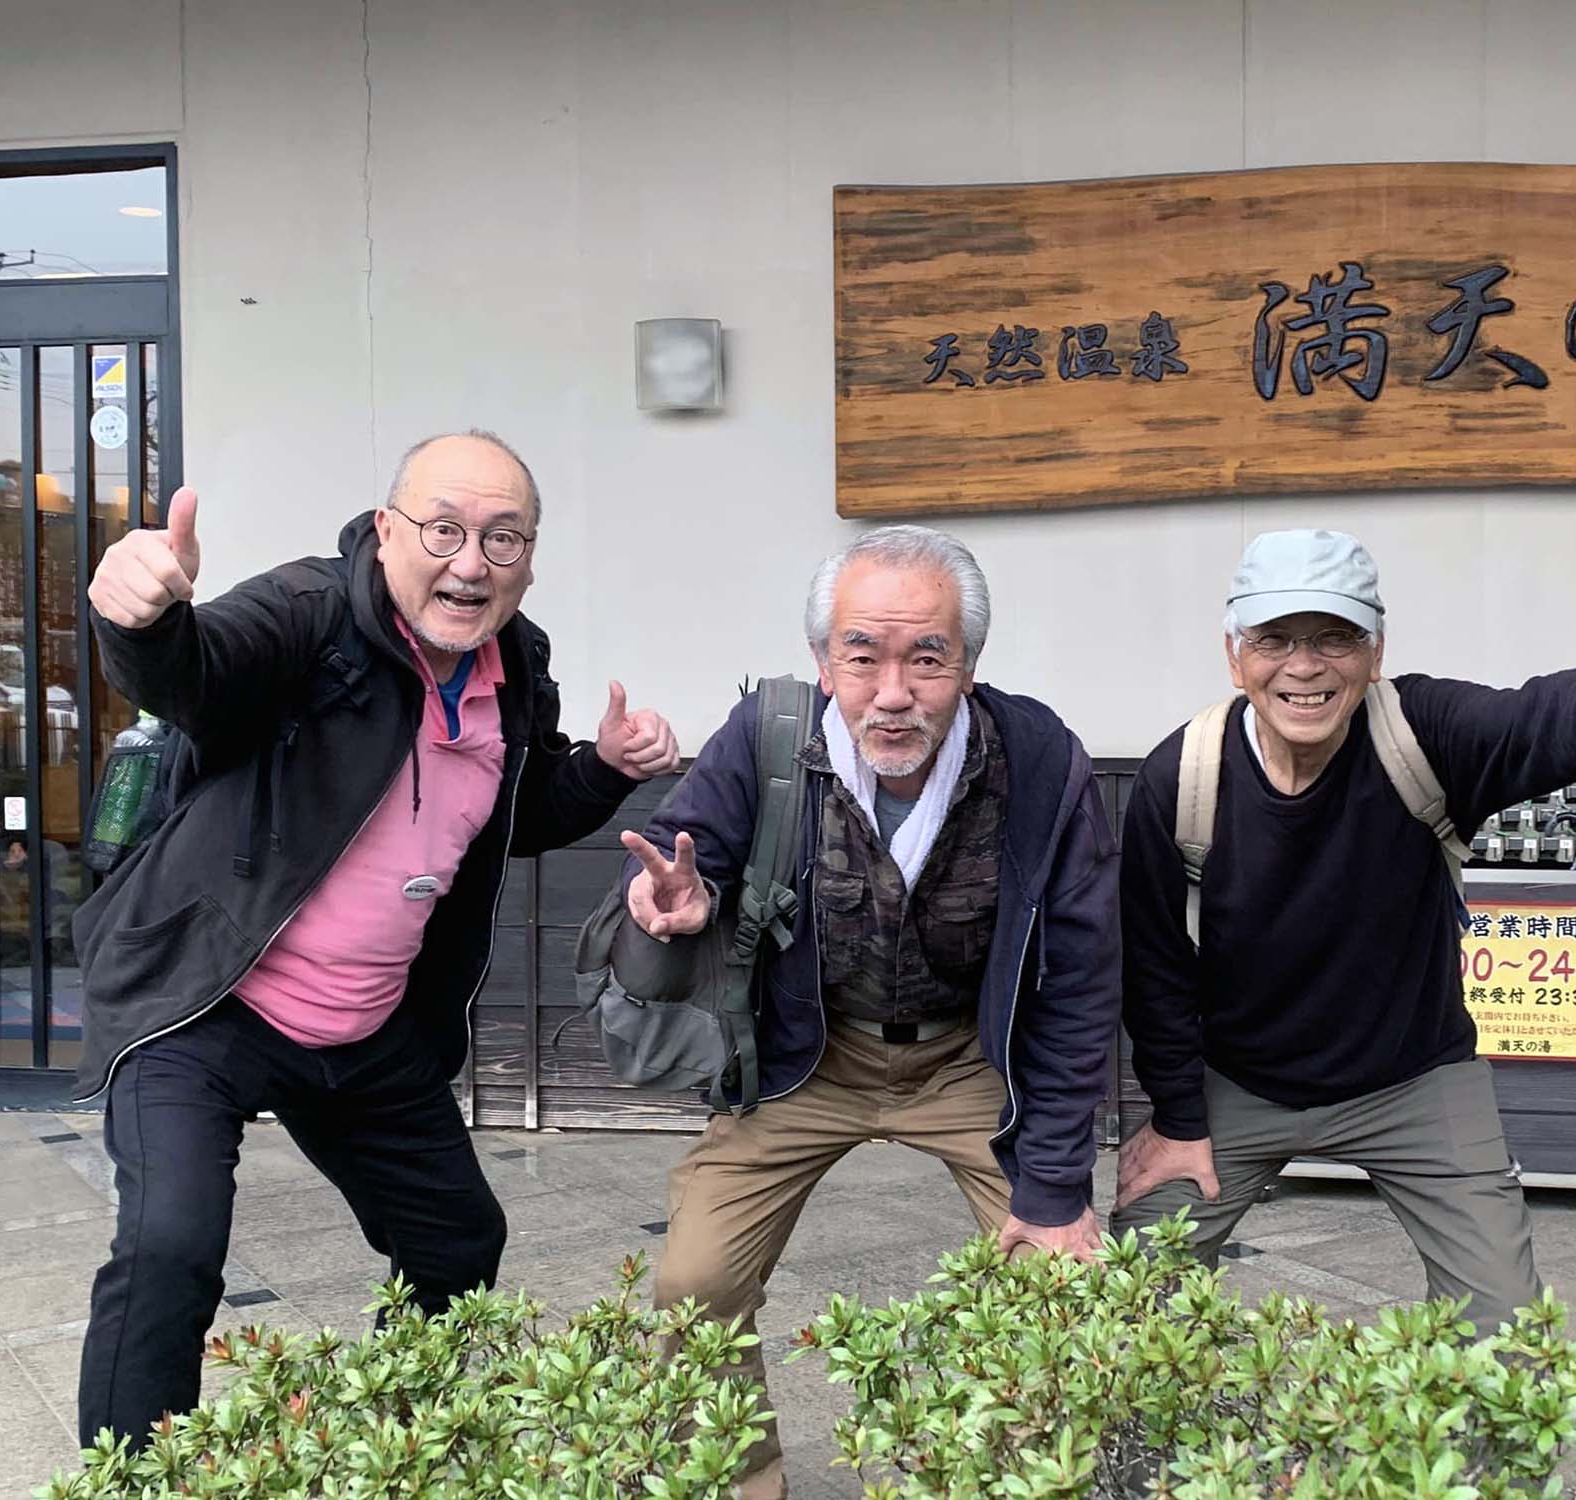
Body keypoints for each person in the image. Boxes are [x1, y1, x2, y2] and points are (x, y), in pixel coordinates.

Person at [73, 430, 681, 1446]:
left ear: (528, 561)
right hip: (209, 1004)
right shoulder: (307, 612)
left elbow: (515, 812)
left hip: (366, 1025)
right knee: (169, 1248)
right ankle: (132, 1477)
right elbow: (198, 675)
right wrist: (142, 619)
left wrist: (607, 770)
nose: (470, 562)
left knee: (457, 1243)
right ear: (388, 531)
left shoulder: (516, 663)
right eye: (443, 529)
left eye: (501, 538)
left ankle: (401, 1444)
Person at [1113, 528, 1576, 1333]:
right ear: (1235, 656)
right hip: (1239, 1084)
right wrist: (1177, 1117)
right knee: (1125, 1305)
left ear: (1376, 652)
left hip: (1414, 1079)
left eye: (1335, 637)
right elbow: (1156, 971)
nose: (1304, 666)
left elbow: (1529, 720)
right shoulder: (1183, 777)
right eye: (1274, 639)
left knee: (1508, 1335)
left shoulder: (1421, 732)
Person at [619, 524, 1119, 1499]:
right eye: (862, 656)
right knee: (693, 1285)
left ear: (968, 665)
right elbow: (689, 850)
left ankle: (1026, 1481)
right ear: (823, 662)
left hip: (969, 1062)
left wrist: (1056, 1184)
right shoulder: (767, 736)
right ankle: (742, 1482)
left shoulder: (1037, 759)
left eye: (926, 658)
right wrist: (682, 900)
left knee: (1062, 1285)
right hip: (813, 1058)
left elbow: (1082, 977)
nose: (893, 692)